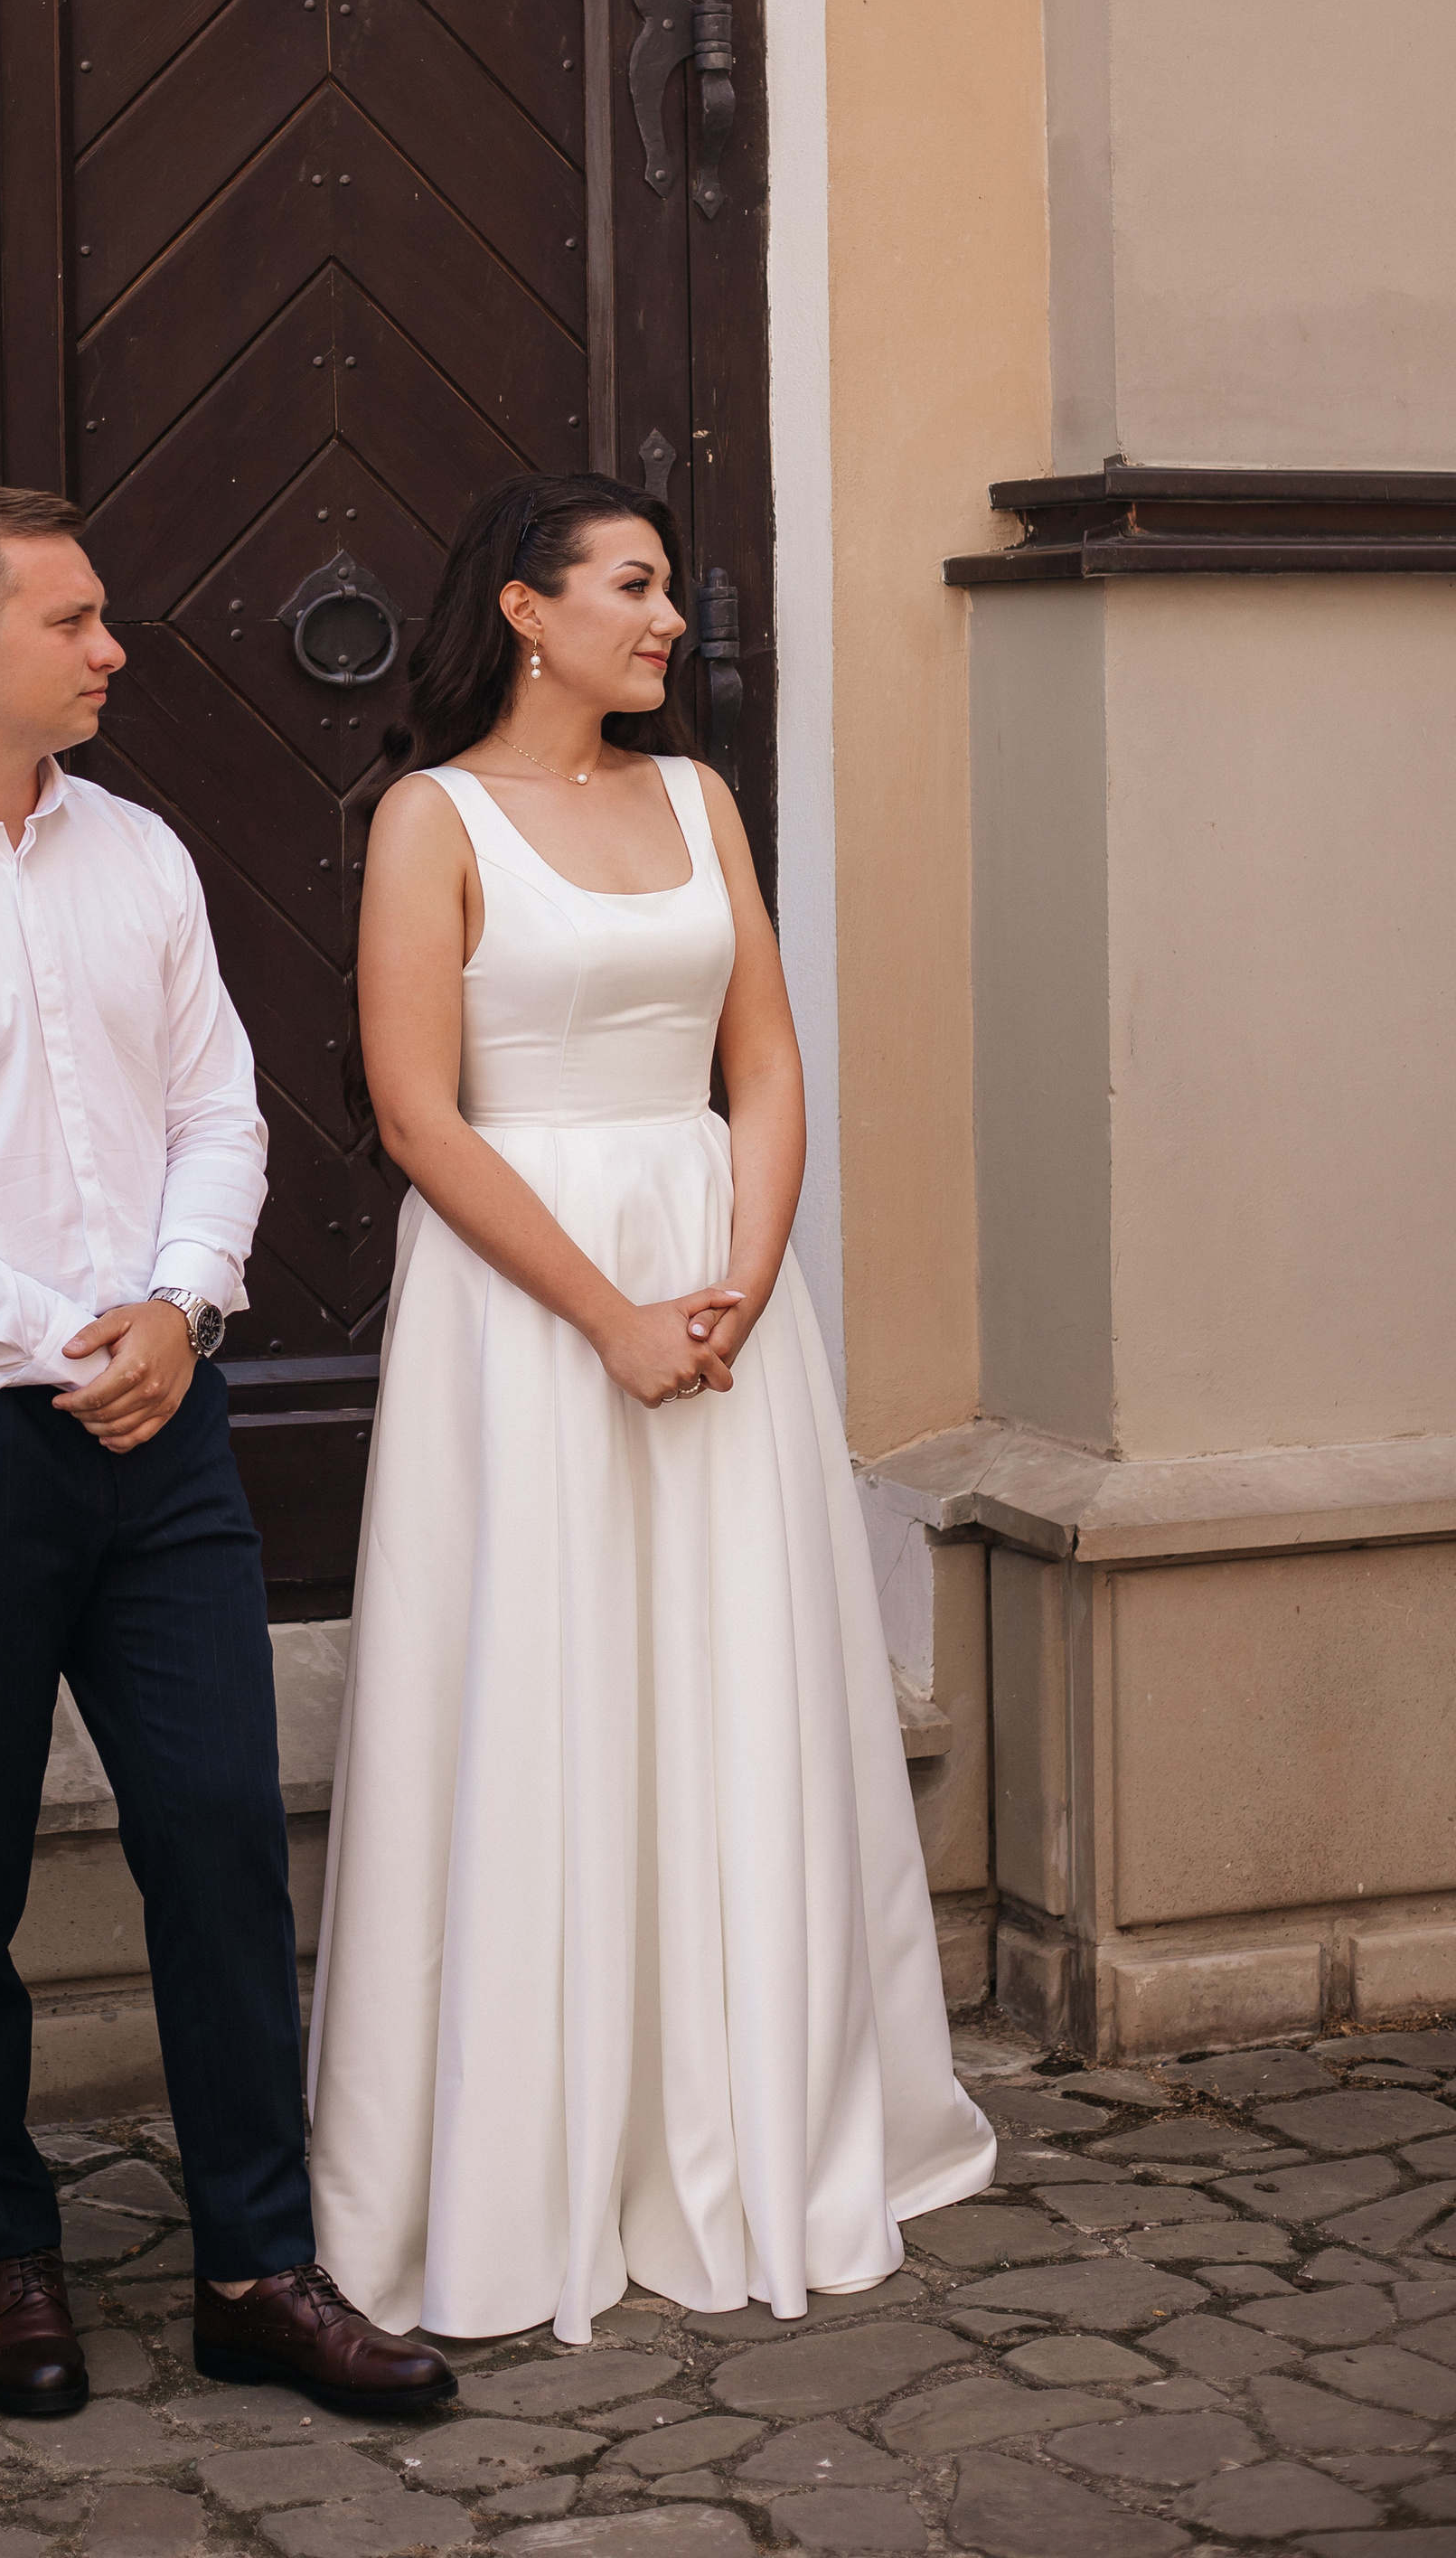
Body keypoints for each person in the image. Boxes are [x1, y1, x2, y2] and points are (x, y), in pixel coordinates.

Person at [0, 483, 453, 2423]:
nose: (114, 646)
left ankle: (253, 2267)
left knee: (218, 1845)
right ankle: (3, 2257)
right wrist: (74, 1342)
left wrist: (179, 1311)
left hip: (166, 1430)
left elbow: (221, 1108)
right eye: (77, 619)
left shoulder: (140, 858)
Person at [305, 471, 995, 2345]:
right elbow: (415, 1113)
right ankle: (531, 2152)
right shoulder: (427, 822)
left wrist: (745, 1278)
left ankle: (743, 2103)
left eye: (668, 588)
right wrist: (609, 1316)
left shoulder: (696, 801)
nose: (667, 617)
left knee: (725, 1676)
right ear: (524, 610)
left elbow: (760, 1059)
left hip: (710, 1282)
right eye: (630, 584)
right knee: (543, 1675)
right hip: (533, 1299)